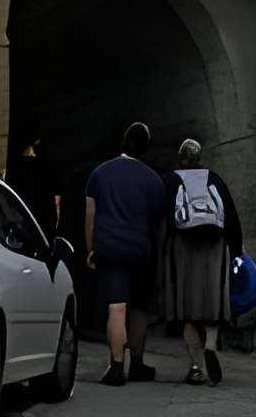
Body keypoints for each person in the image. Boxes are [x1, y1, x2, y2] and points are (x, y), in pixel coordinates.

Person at [85, 120, 168, 387]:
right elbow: (158, 222)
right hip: (141, 249)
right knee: (139, 309)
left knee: (116, 307)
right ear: (146, 149)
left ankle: (116, 366)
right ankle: (139, 364)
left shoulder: (99, 173)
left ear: (122, 142)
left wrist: (91, 249)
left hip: (110, 248)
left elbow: (90, 216)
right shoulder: (153, 179)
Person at [157, 136, 243, 386]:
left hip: (183, 248)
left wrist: (161, 252)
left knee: (189, 311)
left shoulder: (171, 180)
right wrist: (236, 250)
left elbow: (162, 219)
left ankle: (196, 367)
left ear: (181, 158)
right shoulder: (214, 179)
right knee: (212, 306)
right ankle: (211, 345)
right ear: (199, 158)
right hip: (215, 247)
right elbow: (231, 216)